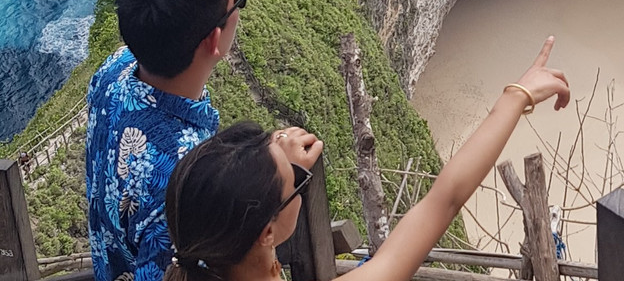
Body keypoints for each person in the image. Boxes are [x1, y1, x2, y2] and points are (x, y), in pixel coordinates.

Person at [162, 37, 570, 281]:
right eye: (296, 183)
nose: (286, 140)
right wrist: (516, 97)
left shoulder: (197, 246)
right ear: (266, 233)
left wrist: (272, 166)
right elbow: (443, 200)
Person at [85, 0, 322, 281]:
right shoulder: (183, 180)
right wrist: (279, 178)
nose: (241, 3)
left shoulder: (113, 70)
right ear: (213, 39)